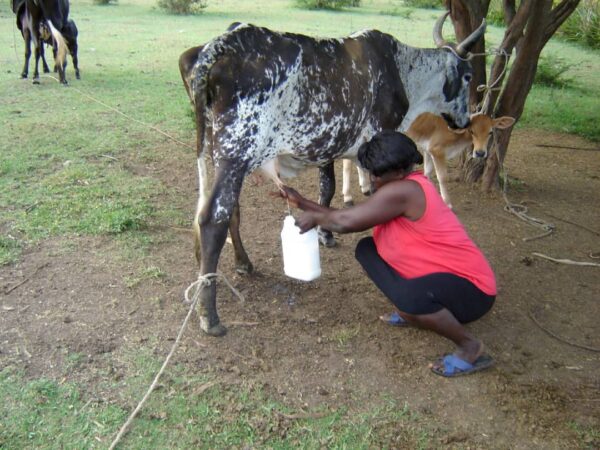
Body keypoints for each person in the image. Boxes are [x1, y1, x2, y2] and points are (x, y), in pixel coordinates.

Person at [275, 131, 496, 377]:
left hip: (474, 293)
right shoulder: (399, 187)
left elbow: (346, 222)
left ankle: (470, 347)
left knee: (410, 298)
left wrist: (315, 216)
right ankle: (412, 311)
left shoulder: (405, 191)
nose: (373, 179)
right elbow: (347, 216)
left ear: (401, 170)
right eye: (371, 171)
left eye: (378, 173)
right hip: (438, 279)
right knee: (367, 250)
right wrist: (302, 202)